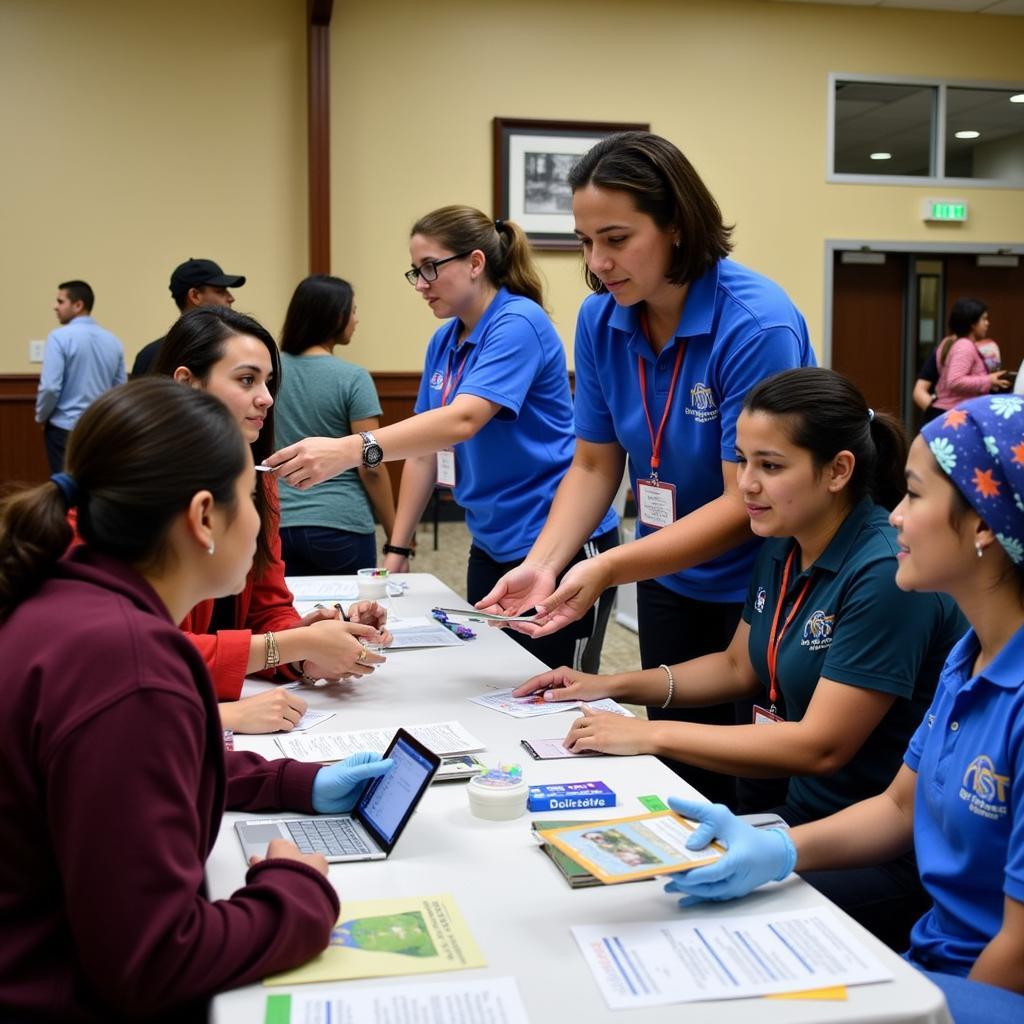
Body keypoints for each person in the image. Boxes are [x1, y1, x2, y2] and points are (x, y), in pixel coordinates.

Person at [515, 367, 965, 948]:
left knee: (676, 920)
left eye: (770, 466)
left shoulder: (882, 571)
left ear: (838, 471)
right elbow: (737, 667)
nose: (746, 484)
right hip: (800, 818)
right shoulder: (784, 538)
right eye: (742, 460)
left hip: (877, 851)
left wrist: (652, 736)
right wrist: (607, 684)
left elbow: (820, 746)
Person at [0, 377, 394, 1022]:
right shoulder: (129, 666)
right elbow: (154, 959)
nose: (264, 519)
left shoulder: (75, 604)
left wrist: (294, 783)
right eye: (251, 499)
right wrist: (297, 893)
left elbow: (127, 769)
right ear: (205, 517)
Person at [477, 132, 815, 806]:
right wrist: (547, 562)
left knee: (753, 784)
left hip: (766, 584)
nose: (598, 262)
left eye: (617, 238)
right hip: (669, 575)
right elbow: (596, 463)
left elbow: (744, 502)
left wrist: (606, 566)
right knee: (681, 764)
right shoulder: (603, 321)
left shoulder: (755, 324)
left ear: (678, 228)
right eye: (584, 241)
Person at [663, 394, 1024, 1022]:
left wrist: (928, 1008)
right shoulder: (971, 654)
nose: (898, 519)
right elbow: (897, 806)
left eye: (914, 497)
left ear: (984, 525)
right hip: (929, 959)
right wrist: (780, 851)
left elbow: (1015, 956)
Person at [267, 206, 620, 673]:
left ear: (476, 263)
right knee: (491, 675)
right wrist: (398, 546)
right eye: (416, 270)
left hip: (556, 540)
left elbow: (463, 420)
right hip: (492, 539)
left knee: (553, 684)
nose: (420, 283)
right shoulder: (445, 341)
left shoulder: (518, 322)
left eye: (431, 267)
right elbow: (423, 451)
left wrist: (352, 448)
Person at [152, 306, 389, 734]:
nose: (266, 398)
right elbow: (147, 657)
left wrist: (308, 651)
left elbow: (268, 606)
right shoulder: (142, 494)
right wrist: (287, 644)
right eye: (247, 380)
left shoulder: (259, 480)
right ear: (186, 382)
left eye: (268, 382)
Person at [275, 275, 396, 575]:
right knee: (353, 619)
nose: (357, 320)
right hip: (341, 523)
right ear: (336, 316)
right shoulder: (353, 378)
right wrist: (397, 533)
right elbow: (372, 464)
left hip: (279, 522)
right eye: (353, 311)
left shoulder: (269, 373)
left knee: (289, 618)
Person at [35, 279, 126, 472]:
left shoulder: (58, 337)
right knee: (95, 485)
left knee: (66, 488)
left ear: (78, 305)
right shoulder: (114, 341)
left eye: (60, 302)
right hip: (99, 428)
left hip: (63, 429)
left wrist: (41, 416)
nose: (55, 307)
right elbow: (120, 390)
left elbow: (50, 387)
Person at [131, 257, 245, 377]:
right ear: (195, 295)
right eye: (220, 291)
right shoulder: (232, 348)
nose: (231, 298)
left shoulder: (148, 354)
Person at [933, 298, 1009, 413]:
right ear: (972, 324)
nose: (987, 323)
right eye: (984, 319)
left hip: (946, 410)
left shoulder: (948, 341)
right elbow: (955, 381)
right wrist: (989, 380)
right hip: (955, 412)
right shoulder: (965, 345)